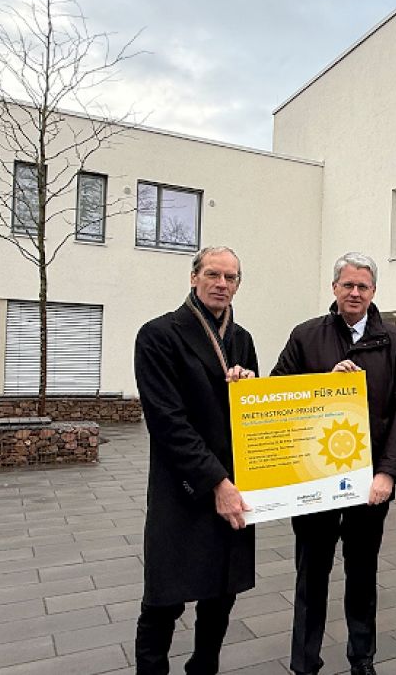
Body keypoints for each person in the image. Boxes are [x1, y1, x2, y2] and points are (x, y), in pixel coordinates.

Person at [273, 252, 396, 675]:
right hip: (315, 478)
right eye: (348, 285)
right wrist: (324, 385)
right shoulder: (305, 336)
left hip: (368, 482)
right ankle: (304, 663)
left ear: (374, 292)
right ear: (334, 288)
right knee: (310, 577)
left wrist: (388, 473)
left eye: (363, 287)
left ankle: (362, 660)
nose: (355, 293)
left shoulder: (394, 340)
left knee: (362, 577)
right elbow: (279, 394)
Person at [133, 246, 258, 675]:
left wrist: (249, 391)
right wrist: (216, 483)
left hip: (234, 486)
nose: (221, 284)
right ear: (194, 277)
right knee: (164, 601)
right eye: (213, 275)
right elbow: (167, 422)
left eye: (230, 278)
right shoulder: (158, 334)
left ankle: (204, 669)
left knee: (220, 597)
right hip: (184, 489)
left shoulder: (242, 340)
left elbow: (253, 420)